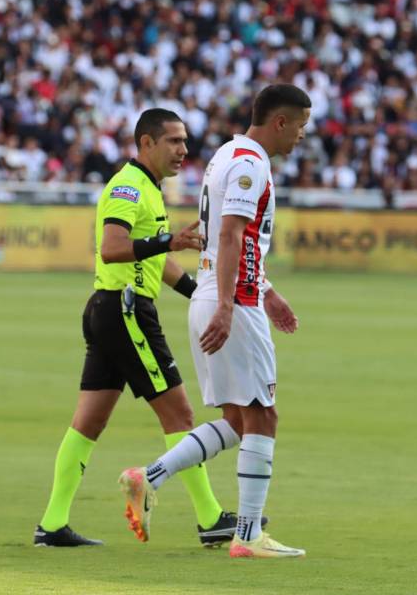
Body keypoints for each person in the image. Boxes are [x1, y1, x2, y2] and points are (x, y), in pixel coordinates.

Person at [119, 84, 311, 559]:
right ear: (280, 122)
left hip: (218, 293)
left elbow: (232, 241)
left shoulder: (227, 154)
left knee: (237, 418)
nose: (302, 137)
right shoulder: (250, 163)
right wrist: (232, 303)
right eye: (301, 126)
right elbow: (228, 235)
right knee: (263, 414)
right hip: (230, 300)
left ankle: (149, 477)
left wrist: (266, 292)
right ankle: (247, 535)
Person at [34, 108, 241, 547]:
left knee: (87, 423)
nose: (183, 150)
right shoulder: (129, 186)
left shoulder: (148, 188)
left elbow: (155, 259)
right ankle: (210, 519)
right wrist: (170, 239)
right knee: (181, 415)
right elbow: (113, 249)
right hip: (126, 311)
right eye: (173, 141)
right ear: (145, 143)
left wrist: (198, 294)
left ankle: (52, 524)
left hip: (110, 309)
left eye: (185, 141)